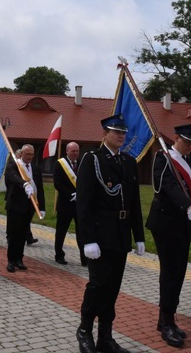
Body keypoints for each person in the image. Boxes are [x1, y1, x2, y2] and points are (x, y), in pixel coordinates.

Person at [75, 114, 145, 353]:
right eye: (116, 132)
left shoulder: (128, 162)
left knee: (113, 287)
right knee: (97, 285)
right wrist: (88, 240)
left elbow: (134, 202)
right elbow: (83, 204)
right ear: (104, 134)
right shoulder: (92, 159)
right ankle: (84, 329)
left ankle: (106, 336)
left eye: (124, 133)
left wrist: (139, 235)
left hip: (121, 234)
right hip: (100, 235)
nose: (121, 136)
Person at [146, 124, 191, 348]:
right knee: (170, 273)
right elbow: (168, 187)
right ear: (177, 138)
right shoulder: (163, 158)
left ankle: (166, 318)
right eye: (187, 142)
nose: (190, 147)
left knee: (179, 273)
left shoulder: (189, 162)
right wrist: (189, 208)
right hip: (166, 223)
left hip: (183, 226)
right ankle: (167, 322)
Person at [4, 144, 45, 272]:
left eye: (32, 154)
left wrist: (42, 207)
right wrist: (24, 184)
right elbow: (13, 177)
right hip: (15, 206)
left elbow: (40, 188)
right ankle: (11, 261)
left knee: (22, 235)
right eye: (27, 154)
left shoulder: (35, 168)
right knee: (13, 234)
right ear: (21, 154)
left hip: (29, 207)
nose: (30, 157)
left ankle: (19, 259)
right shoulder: (14, 165)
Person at [53, 141, 86, 266]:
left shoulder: (82, 164)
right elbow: (57, 184)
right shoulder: (60, 164)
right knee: (61, 231)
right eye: (73, 151)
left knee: (81, 232)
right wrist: (70, 194)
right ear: (67, 151)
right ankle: (59, 255)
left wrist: (80, 194)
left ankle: (84, 257)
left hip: (79, 205)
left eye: (77, 151)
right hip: (65, 204)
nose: (75, 153)